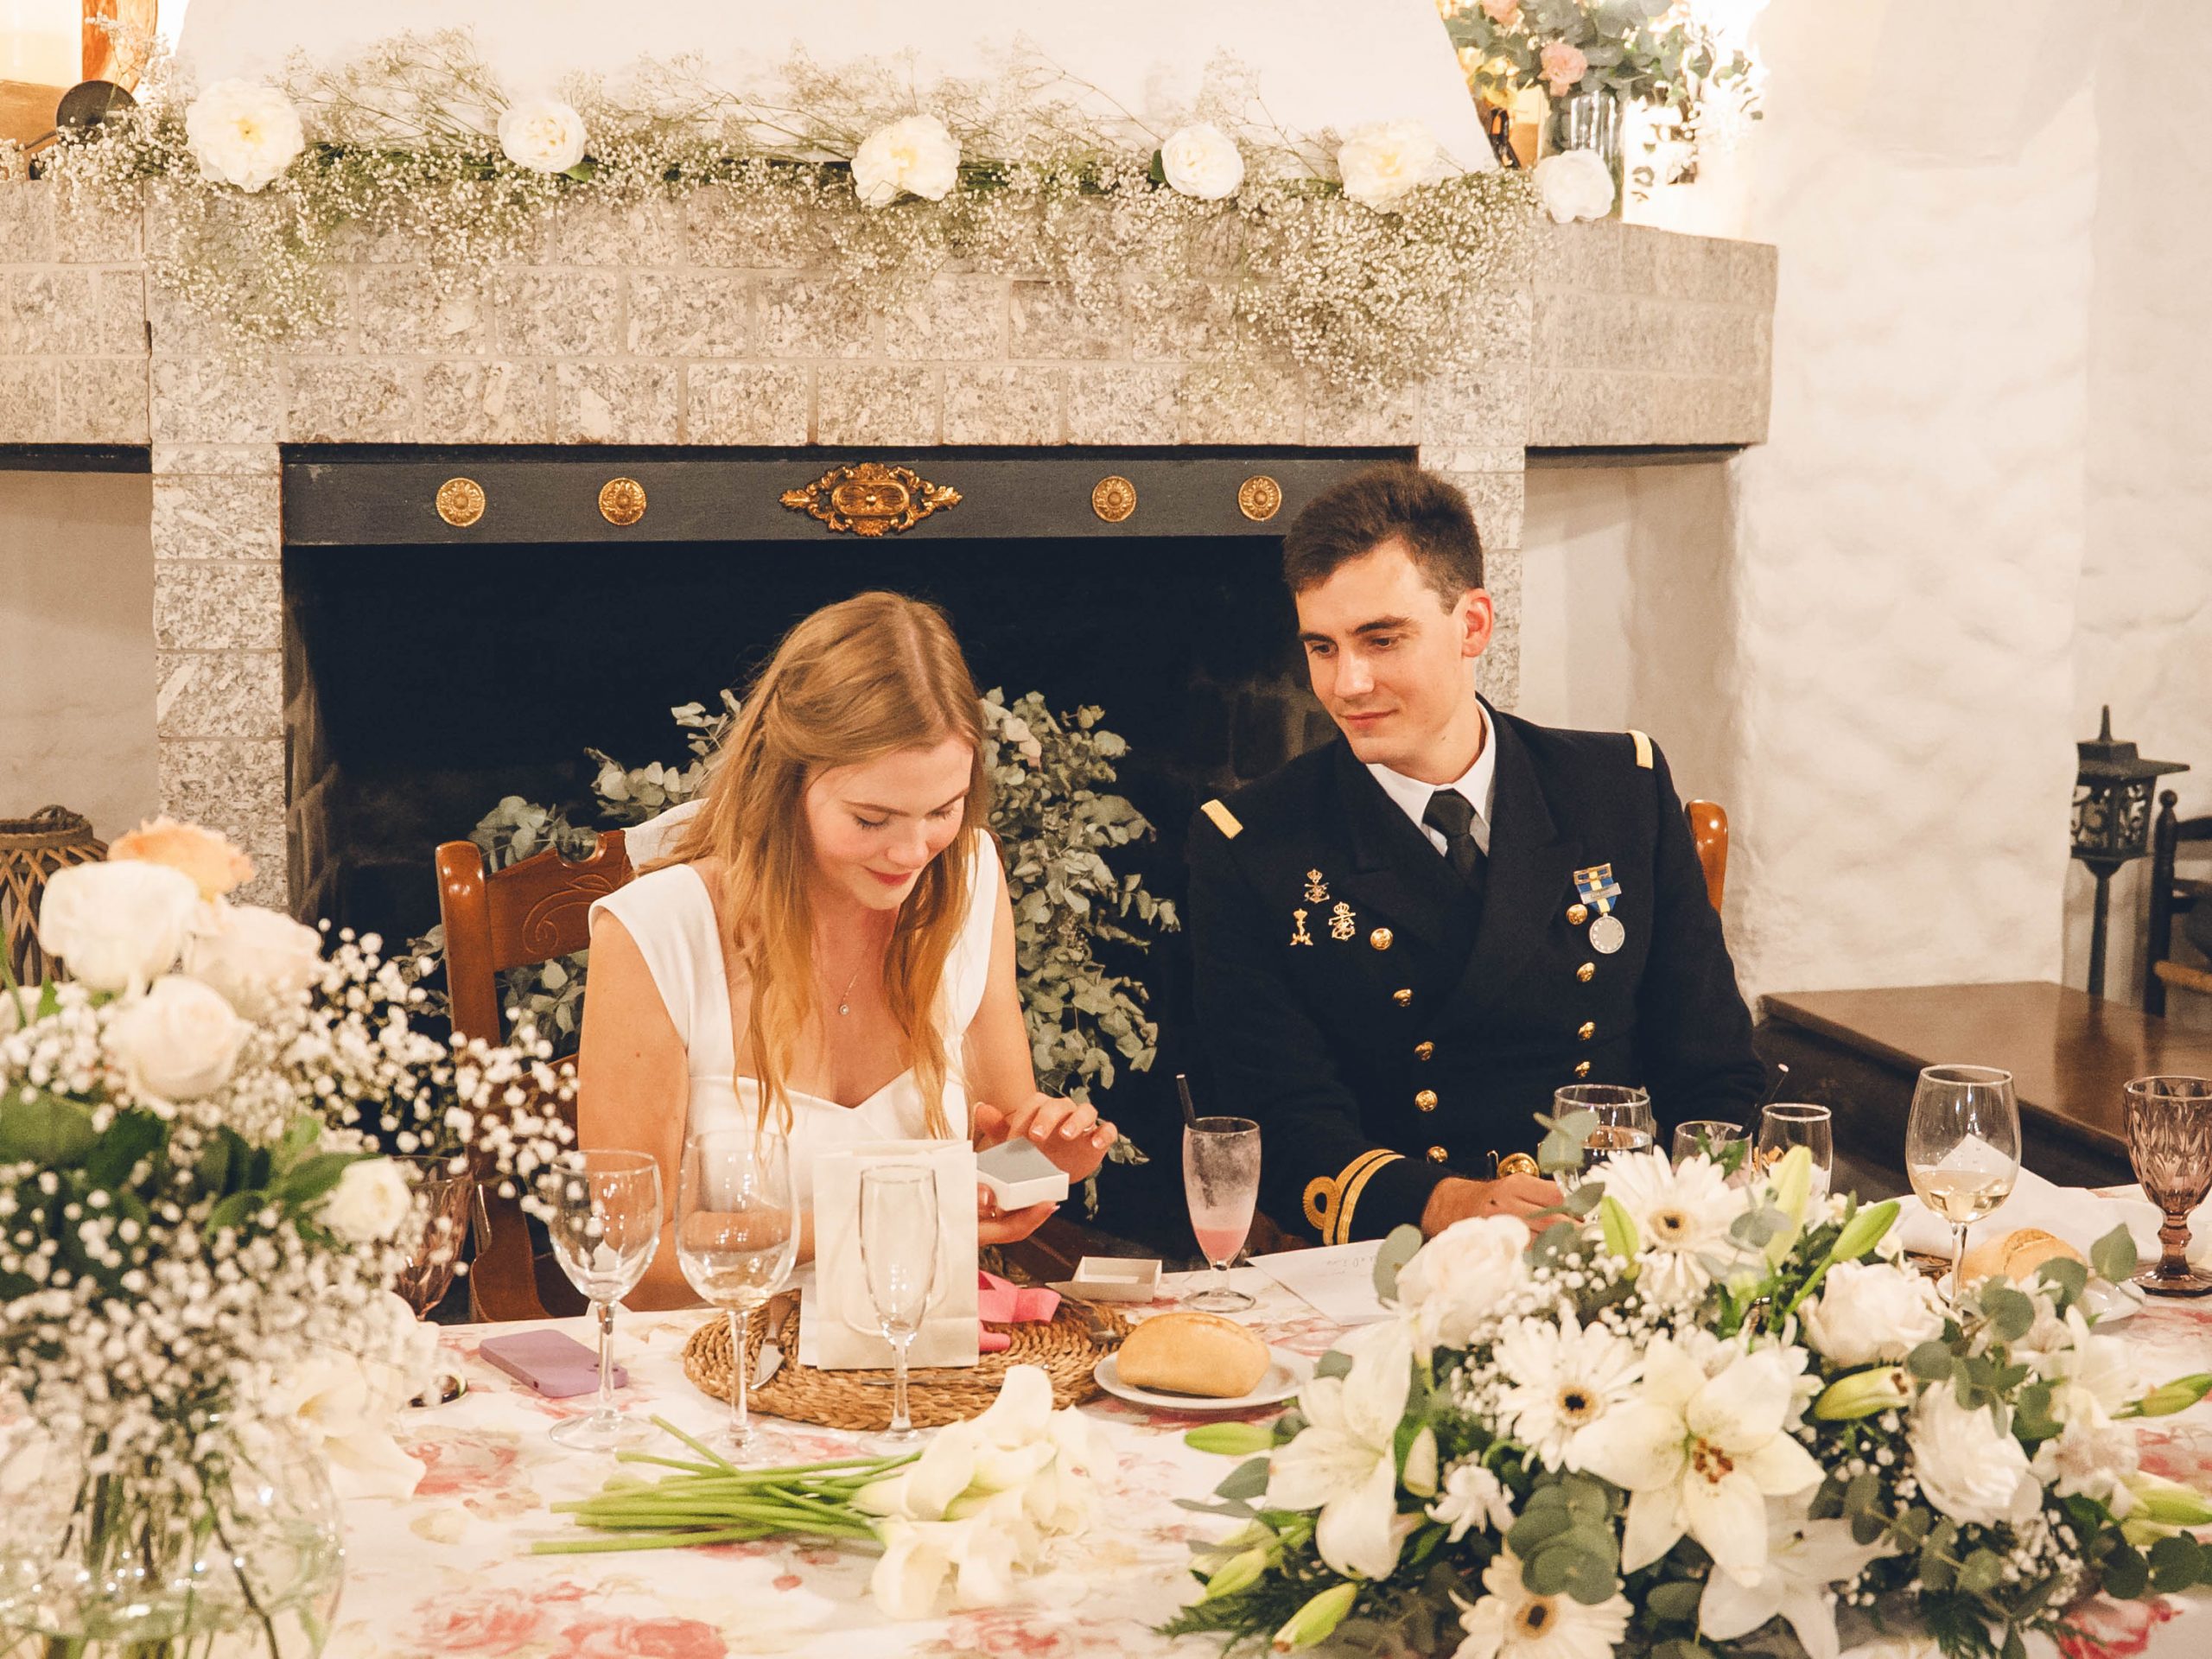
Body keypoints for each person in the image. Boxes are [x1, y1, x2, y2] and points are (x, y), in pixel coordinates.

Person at [1185, 463, 1764, 1247]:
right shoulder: (1253, 842)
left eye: (1382, 640)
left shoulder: (1617, 789)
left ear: (1474, 626)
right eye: (1322, 647)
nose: (1347, 683)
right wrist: (1449, 1204)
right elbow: (1281, 1123)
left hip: (1617, 1237)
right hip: (1401, 1251)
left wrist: (1691, 1231)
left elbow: (1715, 1071)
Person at [578, 592, 1116, 1309]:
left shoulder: (968, 878)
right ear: (785, 783)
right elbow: (634, 1256)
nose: (912, 851)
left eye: (942, 810)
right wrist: (882, 1210)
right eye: (871, 818)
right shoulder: (657, 932)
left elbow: (996, 1152)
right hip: (710, 1352)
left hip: (916, 1339)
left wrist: (1043, 1155)